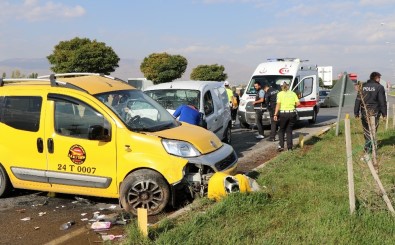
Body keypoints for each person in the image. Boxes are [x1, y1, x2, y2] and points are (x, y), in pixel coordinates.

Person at [354, 72, 387, 153]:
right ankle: (369, 149)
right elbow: (382, 102)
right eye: (379, 77)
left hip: (364, 111)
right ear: (376, 78)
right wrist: (384, 114)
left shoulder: (362, 86)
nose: (379, 79)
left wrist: (356, 112)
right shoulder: (379, 87)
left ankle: (369, 147)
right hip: (374, 112)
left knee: (366, 130)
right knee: (372, 131)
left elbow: (358, 100)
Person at [273, 81, 300, 151]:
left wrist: (275, 114)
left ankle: (281, 146)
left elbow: (278, 105)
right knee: (289, 130)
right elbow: (298, 103)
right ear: (288, 86)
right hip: (292, 114)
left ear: (281, 87)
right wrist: (292, 105)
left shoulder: (280, 94)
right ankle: (290, 148)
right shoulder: (293, 93)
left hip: (283, 114)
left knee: (281, 130)